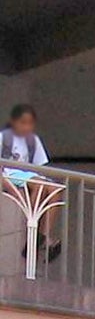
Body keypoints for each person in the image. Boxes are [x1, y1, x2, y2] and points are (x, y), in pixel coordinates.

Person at [1, 104, 61, 263]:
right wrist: (13, 191)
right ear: (14, 122)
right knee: (40, 185)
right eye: (23, 122)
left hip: (30, 175)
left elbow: (40, 166)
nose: (27, 127)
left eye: (30, 123)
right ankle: (32, 228)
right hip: (12, 174)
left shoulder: (33, 140)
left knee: (55, 190)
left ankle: (43, 237)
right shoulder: (4, 137)